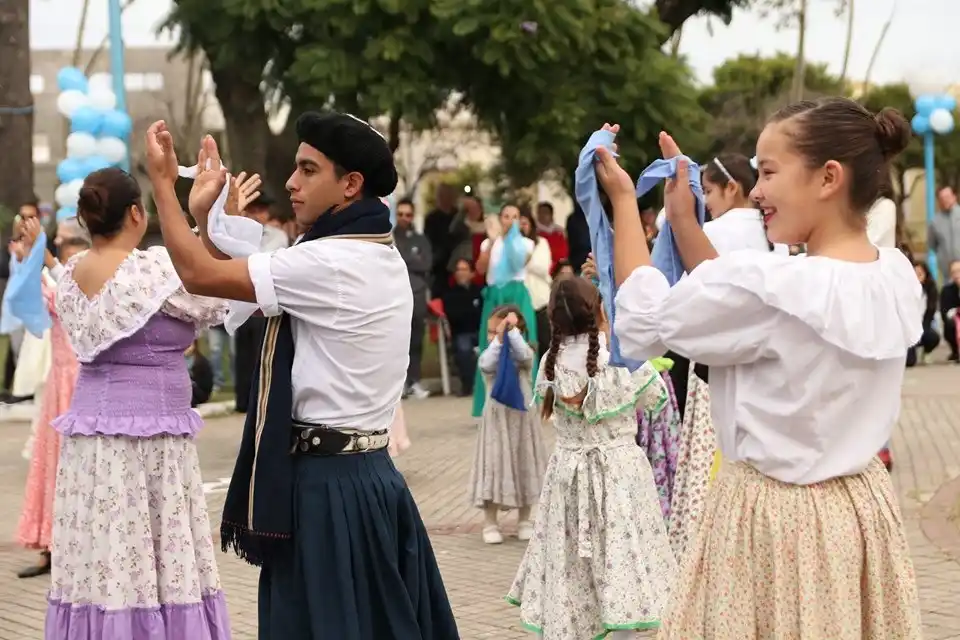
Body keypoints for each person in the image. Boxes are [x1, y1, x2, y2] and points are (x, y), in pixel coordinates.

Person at [598, 98, 922, 637]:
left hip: (775, 522)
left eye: (769, 171)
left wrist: (625, 203)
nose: (756, 191)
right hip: (860, 511)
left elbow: (643, 322)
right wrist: (683, 219)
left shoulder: (778, 287)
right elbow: (737, 300)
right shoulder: (891, 274)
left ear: (828, 178)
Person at [143, 114, 459, 639]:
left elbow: (200, 276)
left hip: (330, 485)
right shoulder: (365, 251)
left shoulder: (332, 261)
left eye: (308, 169)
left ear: (350, 184)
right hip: (361, 476)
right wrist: (206, 216)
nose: (291, 182)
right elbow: (243, 291)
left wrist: (160, 184)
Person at [45, 167, 230, 638]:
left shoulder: (69, 275)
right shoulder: (151, 271)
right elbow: (214, 294)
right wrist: (207, 220)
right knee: (155, 556)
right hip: (150, 441)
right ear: (134, 213)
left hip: (91, 445)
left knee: (105, 560)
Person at [506, 277, 676, 639]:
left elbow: (549, 409)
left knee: (573, 562)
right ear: (599, 308)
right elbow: (656, 400)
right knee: (621, 557)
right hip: (618, 472)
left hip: (568, 473)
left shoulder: (550, 362)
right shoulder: (619, 355)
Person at [15, 216, 89, 579]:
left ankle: (81, 547)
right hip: (59, 384)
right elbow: (26, 305)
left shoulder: (86, 275)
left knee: (78, 466)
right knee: (51, 464)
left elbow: (70, 294)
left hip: (83, 384)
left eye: (65, 240)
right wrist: (29, 259)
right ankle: (51, 545)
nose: (61, 246)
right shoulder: (59, 278)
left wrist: (42, 259)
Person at [469, 305, 546, 544]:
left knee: (524, 463)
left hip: (522, 419)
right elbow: (486, 364)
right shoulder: (489, 355)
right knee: (494, 465)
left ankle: (524, 519)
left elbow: (524, 355)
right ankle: (490, 522)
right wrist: (499, 339)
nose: (494, 335)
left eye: (499, 330)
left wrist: (510, 333)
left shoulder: (524, 354)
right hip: (496, 420)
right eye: (490, 331)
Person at [472, 203, 539, 417]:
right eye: (506, 216)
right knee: (489, 344)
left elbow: (517, 262)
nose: (510, 220)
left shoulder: (526, 244)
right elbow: (480, 269)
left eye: (515, 216)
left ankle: (529, 400)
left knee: (524, 343)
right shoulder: (488, 243)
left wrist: (508, 239)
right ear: (500, 218)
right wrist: (492, 241)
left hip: (517, 295)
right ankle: (488, 403)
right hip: (494, 296)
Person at [394, 197, 433, 399]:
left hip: (416, 296)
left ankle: (415, 381)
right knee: (396, 341)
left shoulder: (420, 239)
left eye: (408, 214)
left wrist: (404, 258)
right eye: (400, 214)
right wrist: (412, 259)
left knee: (416, 340)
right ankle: (399, 384)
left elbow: (426, 264)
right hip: (393, 296)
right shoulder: (389, 238)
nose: (404, 218)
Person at [442, 258, 483, 397]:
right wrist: (471, 311)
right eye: (458, 270)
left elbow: (483, 315)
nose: (460, 273)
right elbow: (454, 317)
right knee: (464, 349)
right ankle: (468, 386)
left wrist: (468, 312)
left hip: (480, 331)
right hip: (462, 333)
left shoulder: (480, 291)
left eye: (464, 269)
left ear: (472, 273)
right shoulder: (449, 294)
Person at [519, 208, 553, 357]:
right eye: (519, 224)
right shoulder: (511, 247)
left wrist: (524, 257)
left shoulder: (542, 243)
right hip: (520, 302)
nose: (522, 227)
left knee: (545, 342)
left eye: (525, 223)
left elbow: (543, 268)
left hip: (540, 301)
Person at [425, 183, 459, 298]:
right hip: (438, 268)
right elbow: (427, 242)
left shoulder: (458, 216)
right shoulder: (431, 218)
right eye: (441, 195)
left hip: (456, 266)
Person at [930, 186, 960, 281]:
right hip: (948, 273)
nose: (945, 200)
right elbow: (932, 245)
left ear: (954, 196)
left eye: (947, 197)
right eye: (942, 198)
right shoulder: (935, 222)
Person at [535, 201, 568, 272]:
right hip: (541, 268)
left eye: (545, 212)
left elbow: (564, 251)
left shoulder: (559, 232)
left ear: (551, 214)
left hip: (558, 269)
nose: (542, 215)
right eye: (540, 212)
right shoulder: (534, 232)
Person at [939, 258, 960, 362]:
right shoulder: (946, 290)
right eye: (954, 272)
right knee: (950, 325)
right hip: (955, 322)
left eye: (959, 271)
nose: (957, 274)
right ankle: (956, 351)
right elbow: (944, 312)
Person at [186, 340, 215, 407]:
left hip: (198, 393)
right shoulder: (176, 361)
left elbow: (207, 386)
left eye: (189, 345)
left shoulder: (202, 362)